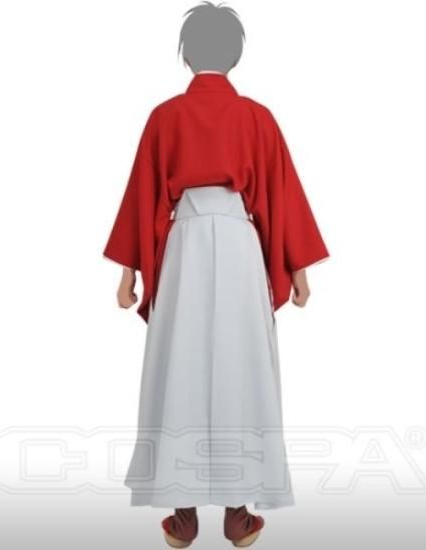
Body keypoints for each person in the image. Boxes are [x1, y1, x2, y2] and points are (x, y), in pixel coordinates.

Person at [103, 2, 329, 547]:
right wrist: (297, 266)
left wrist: (129, 272)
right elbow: (279, 193)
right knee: (241, 362)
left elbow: (143, 195)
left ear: (186, 56)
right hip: (238, 243)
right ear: (235, 55)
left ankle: (183, 517)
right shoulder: (256, 117)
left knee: (178, 362)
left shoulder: (165, 117)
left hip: (183, 244)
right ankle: (238, 513)